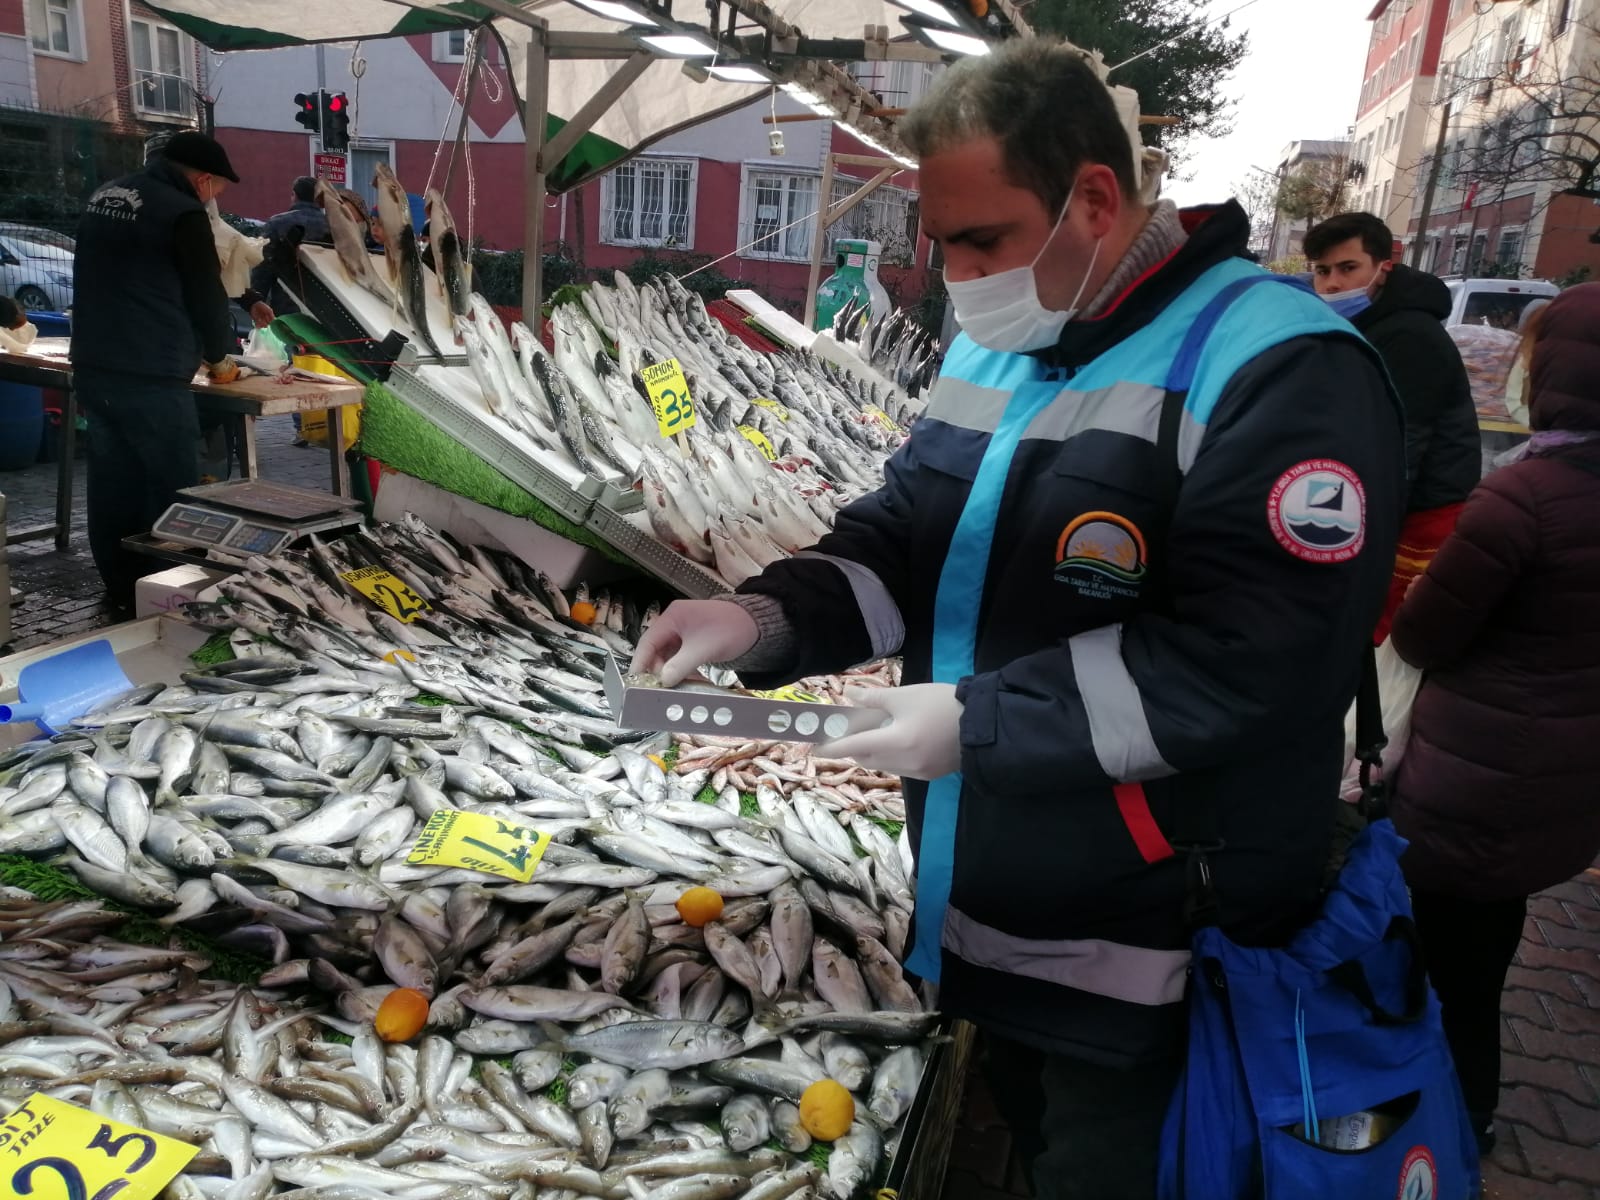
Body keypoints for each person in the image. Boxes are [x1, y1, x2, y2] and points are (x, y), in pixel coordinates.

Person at [631, 39, 1405, 1200]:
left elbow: (1251, 661)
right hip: (990, 900)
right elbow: (908, 536)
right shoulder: (1001, 342)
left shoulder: (1281, 367)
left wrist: (977, 722)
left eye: (982, 240)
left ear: (1092, 199)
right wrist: (762, 621)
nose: (956, 274)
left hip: (1159, 945)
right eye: (938, 241)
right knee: (1029, 1144)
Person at [1387, 281, 1600, 1158]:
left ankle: (1439, 1125)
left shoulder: (1522, 498)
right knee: (1484, 955)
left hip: (1472, 779)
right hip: (1561, 777)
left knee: (1439, 964)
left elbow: (1423, 632)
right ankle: (1464, 1112)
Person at [71, 131, 268, 610]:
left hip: (95, 362)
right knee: (170, 486)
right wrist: (220, 358)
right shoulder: (183, 213)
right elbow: (206, 295)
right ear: (203, 180)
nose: (215, 197)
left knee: (113, 480)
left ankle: (120, 586)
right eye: (218, 188)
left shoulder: (106, 196)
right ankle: (166, 591)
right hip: (152, 369)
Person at [1305, 212, 1481, 642]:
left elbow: (1401, 445)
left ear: (1384, 266)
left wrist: (1362, 531)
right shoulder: (1359, 326)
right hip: (1376, 500)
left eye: (1348, 268)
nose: (1332, 284)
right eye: (1322, 271)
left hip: (1417, 513)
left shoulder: (1408, 336)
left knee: (1386, 637)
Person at [251, 175, 330, 315]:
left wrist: (256, 300)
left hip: (286, 300)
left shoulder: (278, 223)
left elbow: (263, 265)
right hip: (326, 305)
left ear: (294, 195)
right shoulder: (332, 226)